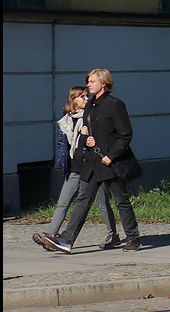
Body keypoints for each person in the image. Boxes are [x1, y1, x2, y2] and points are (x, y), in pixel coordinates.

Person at [35, 69, 141, 254]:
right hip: (92, 161)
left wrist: (111, 155)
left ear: (104, 83)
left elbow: (125, 135)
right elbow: (84, 134)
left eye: (92, 81)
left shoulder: (115, 105)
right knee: (83, 199)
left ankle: (133, 237)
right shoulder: (90, 105)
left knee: (120, 200)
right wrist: (86, 140)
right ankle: (67, 240)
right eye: (88, 81)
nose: (89, 84)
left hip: (110, 162)